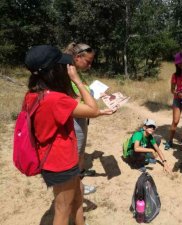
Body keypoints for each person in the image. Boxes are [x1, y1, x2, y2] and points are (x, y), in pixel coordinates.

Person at [24, 45, 104, 224]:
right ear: (54, 71)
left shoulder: (34, 95)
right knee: (62, 209)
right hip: (60, 162)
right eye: (63, 66)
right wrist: (77, 81)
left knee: (78, 196)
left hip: (55, 158)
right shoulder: (55, 100)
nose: (67, 69)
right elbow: (93, 109)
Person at [64, 42, 115, 195]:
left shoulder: (75, 72)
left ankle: (80, 174)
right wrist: (99, 112)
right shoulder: (68, 75)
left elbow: (85, 91)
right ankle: (76, 188)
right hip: (75, 119)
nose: (90, 65)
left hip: (82, 118)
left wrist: (99, 93)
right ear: (78, 57)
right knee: (75, 153)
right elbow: (74, 102)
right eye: (88, 61)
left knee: (79, 152)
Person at [164, 52, 182, 150]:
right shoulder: (175, 75)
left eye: (181, 62)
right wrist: (177, 93)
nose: (180, 65)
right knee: (175, 121)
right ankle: (170, 141)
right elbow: (172, 90)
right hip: (177, 99)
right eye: (178, 63)